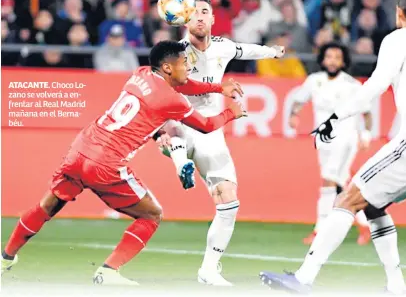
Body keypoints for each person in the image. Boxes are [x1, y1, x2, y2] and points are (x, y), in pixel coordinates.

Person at [260, 0, 406, 294]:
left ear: (398, 12)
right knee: (372, 205)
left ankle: (304, 278)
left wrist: (335, 117)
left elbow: (375, 86)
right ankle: (396, 285)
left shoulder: (398, 39)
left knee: (347, 198)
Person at [1, 41, 247, 285]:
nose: (188, 69)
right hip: (107, 163)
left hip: (81, 148)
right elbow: (205, 126)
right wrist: (232, 113)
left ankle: (5, 257)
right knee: (151, 215)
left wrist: (216, 88)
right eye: (184, 63)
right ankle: (109, 270)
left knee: (49, 204)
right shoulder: (172, 100)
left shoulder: (139, 73)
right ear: (168, 68)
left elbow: (184, 85)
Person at [156, 0, 284, 286]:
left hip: (211, 131)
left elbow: (245, 50)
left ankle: (209, 270)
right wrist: (218, 88)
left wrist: (272, 51)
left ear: (213, 19)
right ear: (184, 17)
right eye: (195, 12)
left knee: (229, 201)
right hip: (182, 122)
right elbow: (178, 86)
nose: (200, 16)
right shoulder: (176, 53)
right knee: (171, 129)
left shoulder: (223, 47)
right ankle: (178, 160)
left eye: (205, 11)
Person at [289, 42, 373, 246]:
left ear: (343, 61)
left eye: (337, 57)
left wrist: (366, 135)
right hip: (324, 142)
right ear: (323, 59)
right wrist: (294, 114)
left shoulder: (351, 85)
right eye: (329, 57)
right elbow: (298, 99)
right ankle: (366, 225)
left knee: (327, 182)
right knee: (343, 184)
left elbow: (367, 112)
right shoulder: (314, 81)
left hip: (345, 139)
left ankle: (320, 231)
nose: (332, 61)